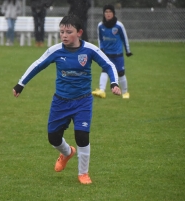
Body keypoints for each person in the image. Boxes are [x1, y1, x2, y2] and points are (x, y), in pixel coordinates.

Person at [12, 14, 121, 184]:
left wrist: (114, 83)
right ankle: (67, 152)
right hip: (60, 101)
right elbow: (37, 65)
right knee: (53, 138)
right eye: (61, 31)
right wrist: (21, 84)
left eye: (68, 32)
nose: (64, 35)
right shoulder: (56, 50)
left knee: (82, 136)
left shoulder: (90, 50)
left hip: (83, 100)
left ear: (79, 33)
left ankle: (83, 173)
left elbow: (109, 64)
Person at [92, 5, 133, 99]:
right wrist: (100, 49)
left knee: (121, 73)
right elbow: (100, 39)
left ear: (113, 13)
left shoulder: (119, 25)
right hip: (107, 54)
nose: (108, 14)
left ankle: (125, 92)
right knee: (105, 70)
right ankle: (102, 91)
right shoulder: (100, 25)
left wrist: (128, 50)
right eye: (106, 12)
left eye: (110, 12)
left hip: (118, 54)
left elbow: (124, 38)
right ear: (103, 14)